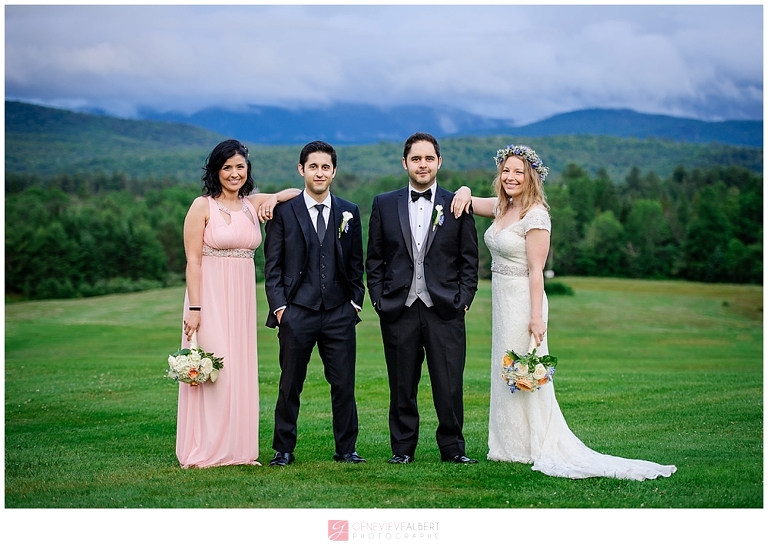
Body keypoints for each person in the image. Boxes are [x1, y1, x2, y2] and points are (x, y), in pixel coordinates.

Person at [450, 144, 677, 479]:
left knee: (526, 370)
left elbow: (536, 271)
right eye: (506, 170)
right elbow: (468, 202)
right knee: (506, 370)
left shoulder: (536, 216)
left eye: (519, 172)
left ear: (531, 178)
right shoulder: (502, 206)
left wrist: (536, 318)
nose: (511, 177)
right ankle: (509, 446)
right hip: (502, 302)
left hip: (525, 302)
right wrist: (464, 188)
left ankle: (534, 445)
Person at [176, 139, 300, 469]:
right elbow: (193, 261)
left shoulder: (251, 205)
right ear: (215, 171)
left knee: (239, 371)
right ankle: (206, 450)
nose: (234, 173)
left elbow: (297, 194)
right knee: (215, 370)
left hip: (242, 299)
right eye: (227, 167)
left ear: (248, 169)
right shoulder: (202, 206)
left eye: (240, 167)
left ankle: (237, 450)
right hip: (210, 298)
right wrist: (195, 309)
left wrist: (273, 198)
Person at [366, 132, 479, 465]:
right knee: (402, 384)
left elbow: (469, 260)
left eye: (429, 158)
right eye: (416, 159)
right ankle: (402, 449)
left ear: (439, 162)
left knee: (449, 383)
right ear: (405, 163)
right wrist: (378, 299)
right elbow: (374, 259)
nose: (423, 164)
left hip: (445, 308)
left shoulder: (457, 204)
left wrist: (463, 300)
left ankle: (453, 449)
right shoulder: (384, 204)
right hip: (398, 309)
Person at [264, 140, 366, 466]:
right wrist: (281, 309)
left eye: (325, 167)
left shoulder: (349, 211)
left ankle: (346, 449)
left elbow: (356, 264)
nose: (319, 173)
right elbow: (272, 266)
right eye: (313, 167)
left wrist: (355, 304)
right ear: (301, 170)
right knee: (290, 384)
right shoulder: (284, 212)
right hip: (297, 312)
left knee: (344, 385)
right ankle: (283, 449)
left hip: (339, 312)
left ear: (333, 171)